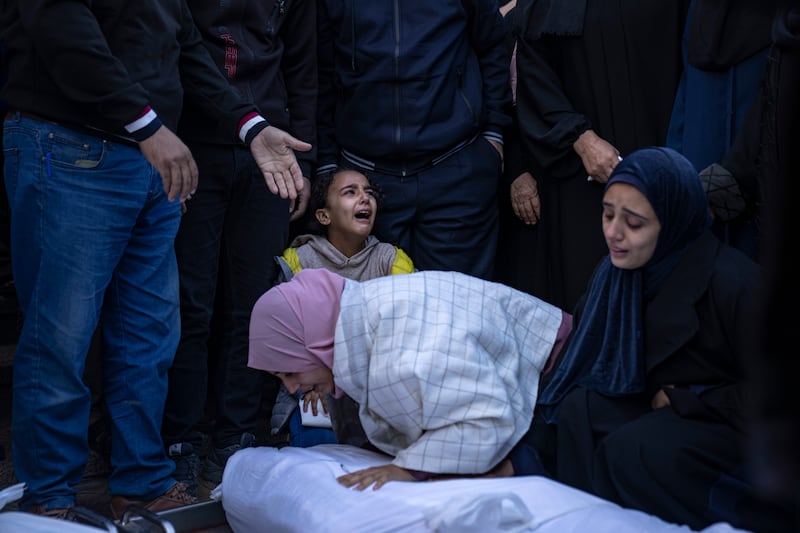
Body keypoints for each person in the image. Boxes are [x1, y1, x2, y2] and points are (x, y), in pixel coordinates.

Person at [0, 0, 310, 520]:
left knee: (149, 335)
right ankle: (49, 499)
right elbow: (63, 29)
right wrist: (147, 125)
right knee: (59, 337)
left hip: (150, 163)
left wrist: (250, 126)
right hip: (73, 146)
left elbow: (186, 48)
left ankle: (141, 484)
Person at [530, 147, 795, 532]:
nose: (613, 233)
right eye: (607, 214)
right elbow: (581, 363)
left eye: (633, 223)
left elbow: (782, 392)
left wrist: (692, 397)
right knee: (578, 410)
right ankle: (581, 519)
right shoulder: (616, 276)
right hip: (661, 402)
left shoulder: (734, 284)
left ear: (671, 220)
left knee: (634, 449)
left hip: (727, 420)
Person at [160, 0, 317, 498]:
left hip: (272, 149)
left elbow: (304, 68)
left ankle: (237, 437)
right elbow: (178, 51)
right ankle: (179, 440)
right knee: (189, 301)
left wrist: (305, 162)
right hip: (192, 145)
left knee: (254, 304)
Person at [248, 268, 573, 490]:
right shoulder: (366, 315)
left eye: (290, 371)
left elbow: (484, 419)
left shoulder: (399, 352)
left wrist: (409, 469)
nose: (291, 387)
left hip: (566, 381)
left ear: (316, 343)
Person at [315, 0, 512, 281]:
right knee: (375, 315)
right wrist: (326, 164)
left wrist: (494, 133)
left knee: (458, 311)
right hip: (367, 178)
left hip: (455, 170)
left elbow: (493, 46)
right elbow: (320, 71)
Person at [512, 0, 689, 310]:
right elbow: (536, 76)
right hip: (579, 173)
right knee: (588, 301)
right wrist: (580, 139)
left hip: (663, 163)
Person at [271, 166, 414, 448]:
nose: (364, 198)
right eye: (350, 192)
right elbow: (286, 336)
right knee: (317, 445)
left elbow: (401, 333)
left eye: (369, 193)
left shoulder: (391, 260)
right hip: (315, 387)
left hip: (376, 386)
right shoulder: (300, 259)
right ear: (324, 215)